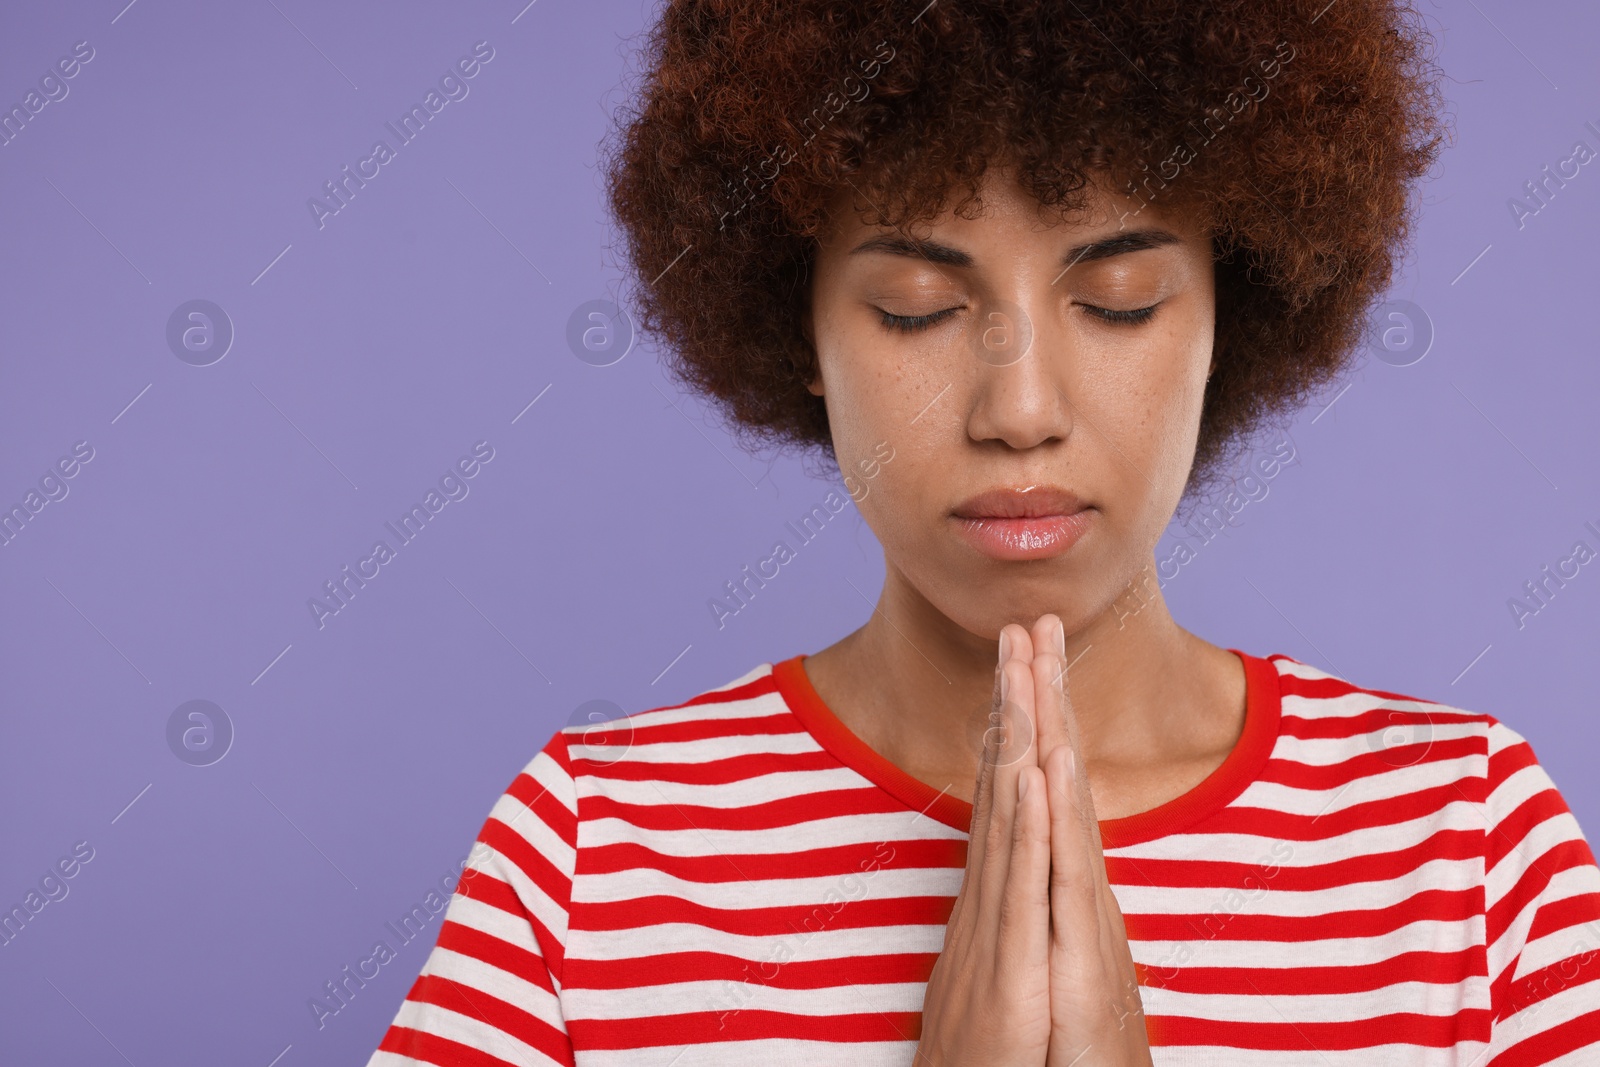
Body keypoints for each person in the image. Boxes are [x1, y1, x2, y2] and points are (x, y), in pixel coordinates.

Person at [367, 1, 1600, 1062]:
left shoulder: (1466, 852)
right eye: (916, 308)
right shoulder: (596, 857)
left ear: (1238, 306)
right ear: (799, 329)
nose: (1019, 409)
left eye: (1119, 301)